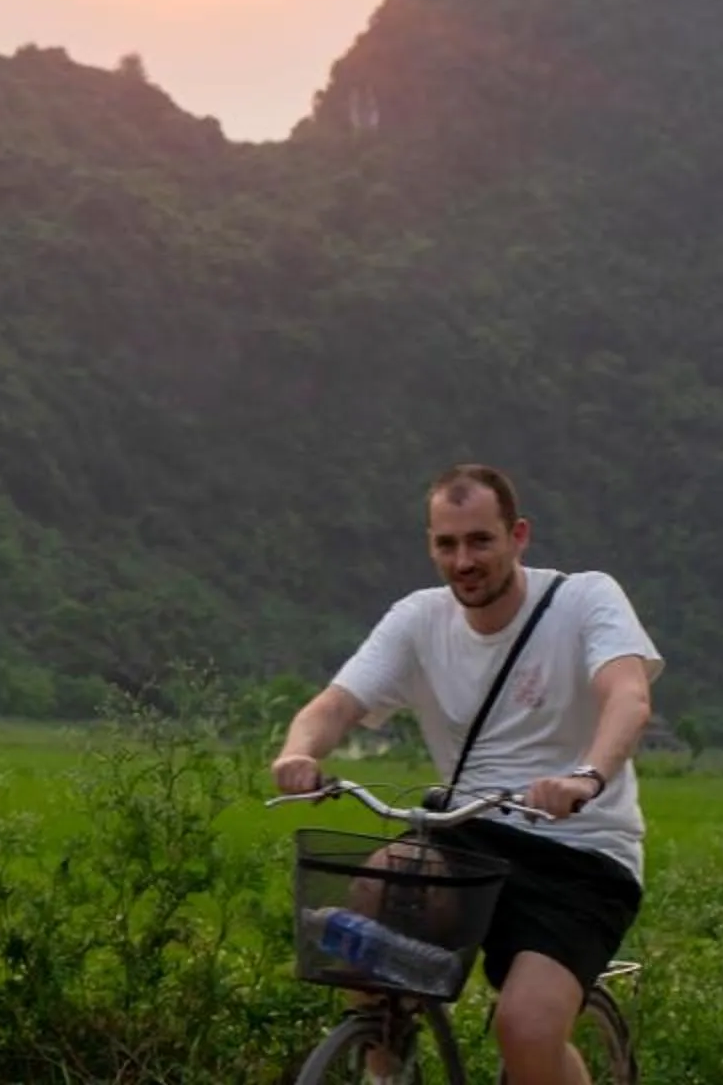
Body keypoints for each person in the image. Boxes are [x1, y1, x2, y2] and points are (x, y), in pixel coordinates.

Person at [273, 464, 660, 1085]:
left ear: (518, 536)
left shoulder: (586, 598)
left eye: (480, 541)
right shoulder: (419, 620)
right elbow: (334, 705)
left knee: (526, 1029)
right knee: (367, 911)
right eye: (446, 544)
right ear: (430, 545)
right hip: (468, 836)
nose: (463, 561)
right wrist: (299, 754)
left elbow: (628, 697)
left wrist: (586, 776)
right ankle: (387, 1070)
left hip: (581, 854)